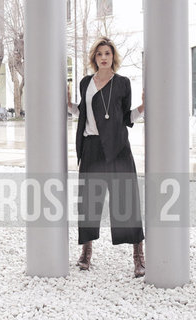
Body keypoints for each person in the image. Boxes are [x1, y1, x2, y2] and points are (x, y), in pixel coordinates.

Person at [67, 37, 146, 278]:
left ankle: (138, 256)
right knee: (89, 201)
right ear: (94, 57)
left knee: (126, 200)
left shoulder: (122, 83)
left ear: (113, 57)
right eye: (100, 53)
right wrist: (68, 104)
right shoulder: (85, 83)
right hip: (91, 146)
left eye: (108, 54)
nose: (103, 57)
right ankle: (86, 252)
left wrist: (144, 107)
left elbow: (125, 117)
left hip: (118, 147)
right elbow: (84, 114)